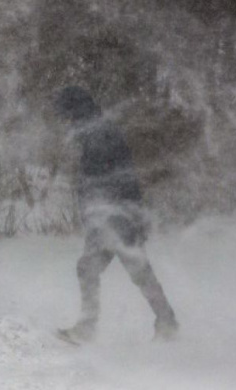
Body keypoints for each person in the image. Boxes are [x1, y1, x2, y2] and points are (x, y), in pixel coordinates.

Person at [54, 86, 179, 343]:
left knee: (96, 268)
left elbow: (110, 179)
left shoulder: (97, 134)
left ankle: (89, 328)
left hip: (113, 216)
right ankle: (166, 321)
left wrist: (104, 212)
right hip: (117, 214)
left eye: (66, 115)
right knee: (134, 270)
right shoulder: (97, 130)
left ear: (74, 111)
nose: (65, 122)